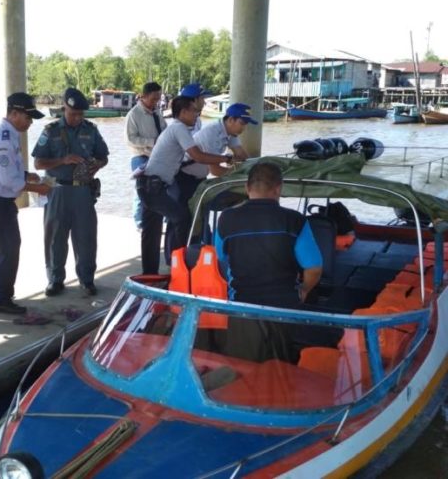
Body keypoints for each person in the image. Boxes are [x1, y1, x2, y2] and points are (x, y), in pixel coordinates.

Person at [214, 162, 323, 362]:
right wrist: (305, 289)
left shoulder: (226, 219)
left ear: (247, 188)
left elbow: (220, 258)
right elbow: (314, 268)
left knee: (244, 363)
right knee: (282, 364)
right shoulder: (295, 220)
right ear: (278, 189)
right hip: (284, 309)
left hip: (242, 308)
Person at [136, 96, 232, 275]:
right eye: (194, 110)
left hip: (150, 185)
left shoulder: (177, 129)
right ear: (183, 112)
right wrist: (226, 158)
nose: (197, 114)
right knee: (182, 218)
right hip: (152, 186)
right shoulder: (179, 128)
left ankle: (150, 274)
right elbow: (198, 156)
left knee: (152, 232)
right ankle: (179, 265)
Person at [32, 87, 109, 297]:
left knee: (86, 237)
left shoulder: (91, 129)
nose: (77, 118)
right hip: (56, 189)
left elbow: (104, 156)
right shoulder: (51, 130)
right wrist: (63, 160)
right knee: (55, 238)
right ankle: (55, 280)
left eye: (80, 114)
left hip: (83, 191)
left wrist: (96, 165)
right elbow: (38, 163)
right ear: (64, 108)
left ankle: (87, 279)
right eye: (73, 113)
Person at [0, 93, 51, 314]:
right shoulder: (4, 139)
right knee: (9, 249)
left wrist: (27, 175)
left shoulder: (10, 134)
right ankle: (1, 299)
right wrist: (38, 188)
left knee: (5, 247)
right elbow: (9, 181)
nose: (30, 122)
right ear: (13, 113)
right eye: (28, 117)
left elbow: (11, 171)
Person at [169, 102, 254, 248]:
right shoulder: (212, 133)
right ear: (231, 120)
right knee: (182, 219)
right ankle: (175, 257)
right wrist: (240, 177)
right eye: (242, 123)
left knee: (199, 217)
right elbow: (215, 170)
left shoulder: (231, 133)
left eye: (246, 124)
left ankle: (197, 250)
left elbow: (242, 155)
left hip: (199, 178)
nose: (244, 128)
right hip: (183, 177)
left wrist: (253, 168)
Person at [124, 82, 166, 229]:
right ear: (144, 96)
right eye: (154, 98)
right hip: (140, 156)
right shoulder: (133, 115)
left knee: (161, 187)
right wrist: (151, 142)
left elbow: (165, 131)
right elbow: (130, 139)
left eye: (159, 98)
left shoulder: (157, 113)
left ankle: (159, 218)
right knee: (142, 189)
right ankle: (139, 221)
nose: (157, 101)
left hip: (157, 156)